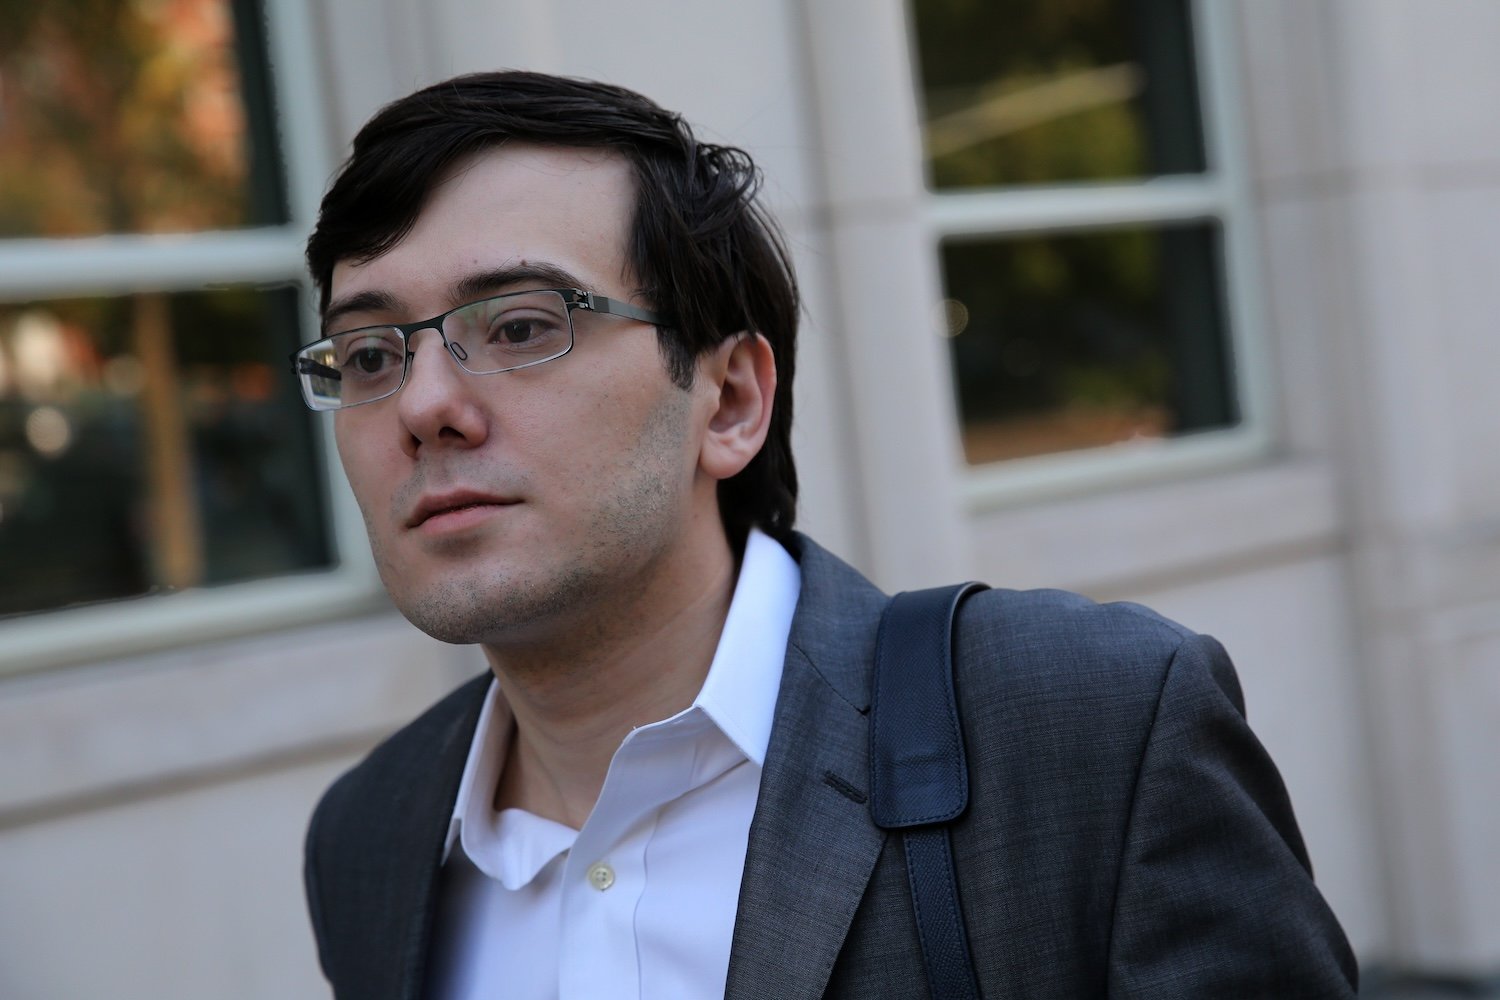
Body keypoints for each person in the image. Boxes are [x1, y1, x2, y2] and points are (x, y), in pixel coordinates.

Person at [295, 70, 1357, 999]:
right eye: (369, 355)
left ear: (729, 403)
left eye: (523, 325)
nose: (425, 405)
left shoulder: (1090, 733)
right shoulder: (371, 837)